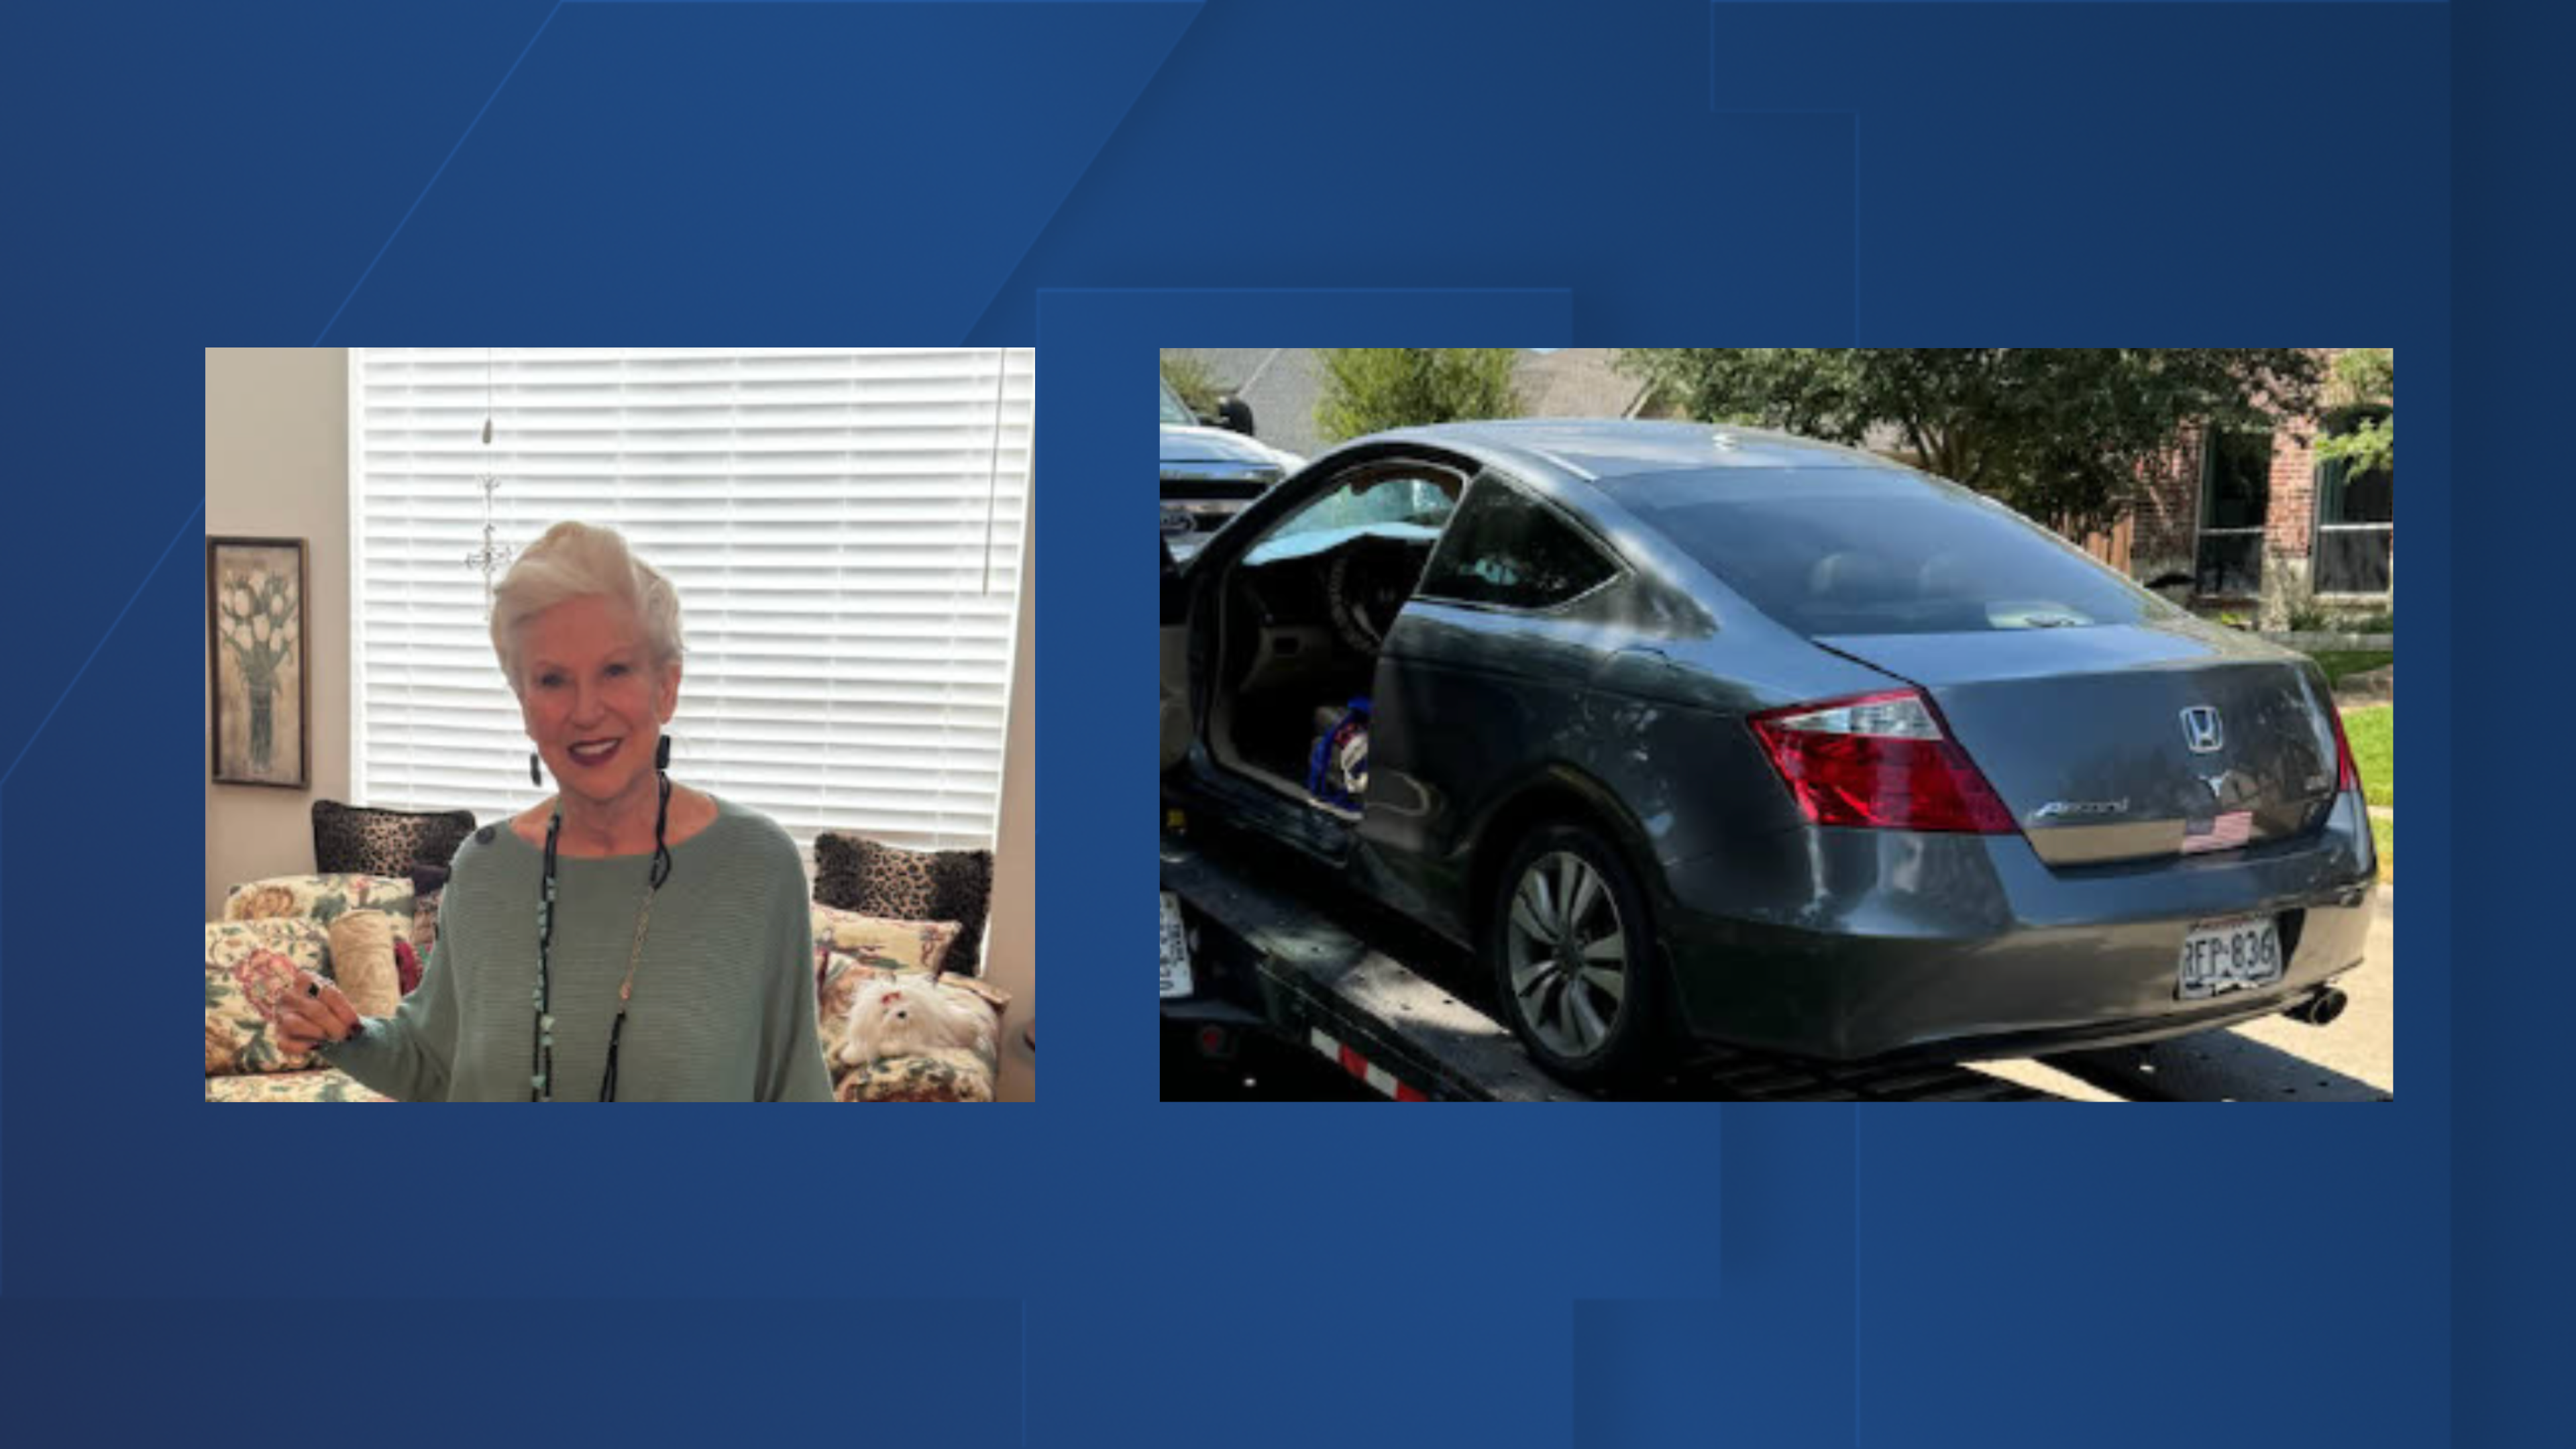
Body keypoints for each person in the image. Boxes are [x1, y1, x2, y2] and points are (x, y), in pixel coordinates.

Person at [277, 522, 832, 1101]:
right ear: (524, 704)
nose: (585, 710)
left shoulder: (756, 868)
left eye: (615, 670)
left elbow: (794, 1089)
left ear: (666, 687)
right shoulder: (487, 868)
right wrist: (343, 1033)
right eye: (552, 680)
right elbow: (435, 1064)